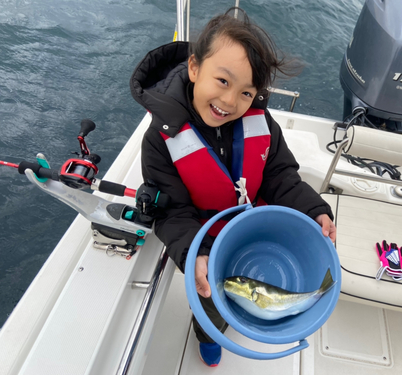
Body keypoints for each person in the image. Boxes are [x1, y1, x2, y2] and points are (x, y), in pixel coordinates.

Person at [130, 7, 336, 367]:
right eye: (222, 81)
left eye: (245, 93)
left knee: (246, 301)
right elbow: (172, 212)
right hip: (206, 240)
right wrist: (196, 253)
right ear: (194, 68)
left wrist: (313, 208)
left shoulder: (262, 123)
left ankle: (235, 320)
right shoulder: (161, 140)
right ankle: (208, 334)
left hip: (254, 227)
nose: (229, 102)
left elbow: (280, 176)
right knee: (211, 305)